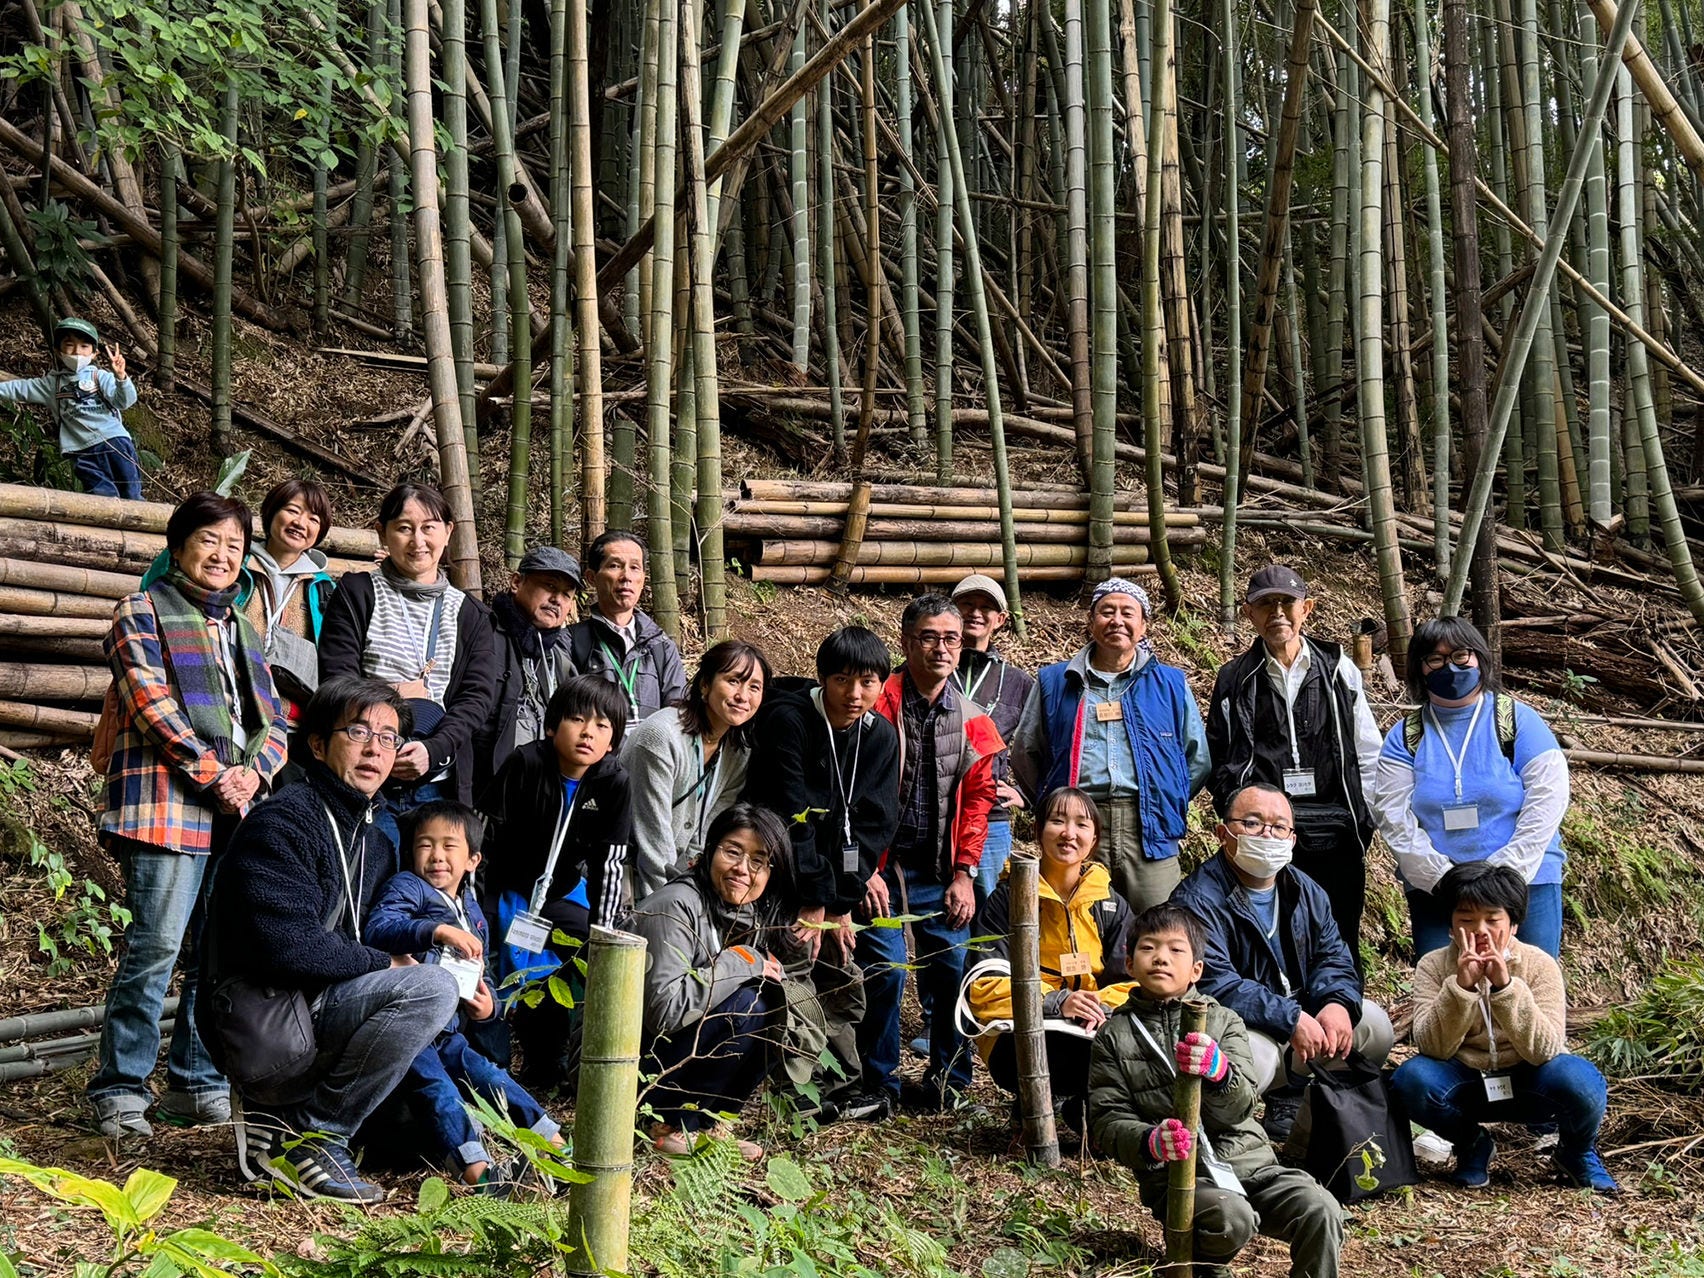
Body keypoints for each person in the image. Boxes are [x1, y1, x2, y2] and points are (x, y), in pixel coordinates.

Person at [198, 677, 461, 1204]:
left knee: (410, 1138)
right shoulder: (284, 821)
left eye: (388, 738)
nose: (374, 749)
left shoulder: (374, 839)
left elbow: (378, 936)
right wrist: (389, 966)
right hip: (265, 1021)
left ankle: (288, 1124)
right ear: (317, 744)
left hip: (323, 1008)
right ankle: (317, 1134)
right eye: (358, 731)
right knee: (427, 987)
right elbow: (287, 946)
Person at [88, 491, 290, 1139]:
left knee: (216, 957)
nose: (223, 555)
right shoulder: (140, 611)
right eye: (210, 540)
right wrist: (217, 775)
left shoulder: (242, 627)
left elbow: (275, 721)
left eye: (235, 546)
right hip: (166, 809)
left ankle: (195, 1081)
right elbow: (150, 705)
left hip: (236, 812)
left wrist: (253, 773)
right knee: (155, 950)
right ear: (178, 547)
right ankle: (120, 1091)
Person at [1089, 904, 1347, 1278]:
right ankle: (1201, 1269)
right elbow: (1107, 1119)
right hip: (1181, 1177)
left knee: (1321, 1209)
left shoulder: (1224, 1021)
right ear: (1128, 964)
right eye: (1148, 948)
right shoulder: (1115, 1034)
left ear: (1197, 969)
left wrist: (1220, 1072)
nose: (1161, 957)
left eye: (1176, 949)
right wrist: (1150, 1141)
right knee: (1230, 1217)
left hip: (1251, 1164)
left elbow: (1241, 1106)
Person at [365, 801, 566, 1192]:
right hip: (412, 1029)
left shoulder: (472, 911)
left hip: (450, 1033)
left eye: (449, 846)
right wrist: (436, 932)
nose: (436, 856)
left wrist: (488, 1006)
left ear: (473, 859)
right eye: (425, 845)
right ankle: (480, 1176)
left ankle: (556, 1147)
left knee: (491, 1077)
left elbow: (482, 973)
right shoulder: (410, 887)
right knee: (438, 1090)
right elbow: (379, 927)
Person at [1170, 782, 1393, 1136]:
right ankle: (1229, 1138)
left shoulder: (1306, 889)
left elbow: (1334, 956)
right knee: (1255, 1061)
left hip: (1303, 1013)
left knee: (1374, 1027)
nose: (1267, 835)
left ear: (1292, 839)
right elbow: (1216, 984)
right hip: (1243, 1025)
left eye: (1279, 827)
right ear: (1223, 832)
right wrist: (1290, 1018)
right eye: (1253, 823)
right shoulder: (1195, 900)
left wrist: (1336, 1002)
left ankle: (1311, 1125)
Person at [740, 626, 897, 1118]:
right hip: (781, 874)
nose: (854, 695)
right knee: (796, 961)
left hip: (834, 886)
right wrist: (815, 900)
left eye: (867, 683)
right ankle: (789, 1091)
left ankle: (839, 1081)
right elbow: (791, 815)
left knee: (846, 970)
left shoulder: (879, 736)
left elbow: (874, 826)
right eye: (842, 680)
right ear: (822, 678)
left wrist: (840, 904)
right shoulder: (790, 720)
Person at [1391, 863, 1617, 1194]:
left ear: (1513, 924)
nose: (1480, 930)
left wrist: (1506, 988)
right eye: (1466, 919)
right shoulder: (1433, 966)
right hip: (1466, 1083)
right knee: (1411, 1080)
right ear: (1451, 926)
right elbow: (1432, 1047)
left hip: (1529, 1081)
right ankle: (1472, 1144)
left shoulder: (1539, 964)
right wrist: (1461, 989)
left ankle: (1576, 1153)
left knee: (1581, 1081)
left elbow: (1546, 1049)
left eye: (1492, 919)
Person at [860, 595, 1002, 1113]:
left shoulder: (971, 718)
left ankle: (949, 1083)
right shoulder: (876, 703)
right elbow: (846, 792)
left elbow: (981, 799)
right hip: (880, 869)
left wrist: (965, 873)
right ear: (906, 641)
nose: (941, 648)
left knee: (953, 970)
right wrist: (860, 871)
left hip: (940, 871)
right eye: (929, 637)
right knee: (888, 971)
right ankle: (880, 1084)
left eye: (952, 638)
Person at [1206, 565, 1382, 964]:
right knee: (1272, 937)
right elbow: (1219, 752)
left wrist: (1364, 815)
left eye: (1287, 602)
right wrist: (1237, 815)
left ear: (1308, 609)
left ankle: (1340, 1019)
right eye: (1266, 604)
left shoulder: (1338, 668)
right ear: (1249, 613)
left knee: (1339, 936)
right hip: (1264, 834)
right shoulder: (1235, 677)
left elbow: (1368, 749)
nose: (1278, 613)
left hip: (1335, 827)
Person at [1372, 616, 1569, 959]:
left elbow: (1548, 797)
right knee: (1446, 995)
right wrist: (1441, 878)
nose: (1450, 666)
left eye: (1461, 655)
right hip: (1439, 892)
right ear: (1420, 669)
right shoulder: (1405, 736)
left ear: (1479, 657)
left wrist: (1506, 874)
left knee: (1532, 991)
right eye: (1436, 659)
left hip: (1527, 883)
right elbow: (1393, 816)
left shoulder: (1516, 720)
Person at [1011, 577, 1210, 915]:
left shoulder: (1171, 684)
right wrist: (1052, 804)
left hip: (1148, 827)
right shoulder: (1055, 681)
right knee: (1077, 923)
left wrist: (1163, 796)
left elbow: (1197, 759)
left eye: (1127, 613)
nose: (1117, 620)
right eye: (1106, 611)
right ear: (1091, 622)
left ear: (1143, 625)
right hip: (1076, 826)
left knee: (1157, 925)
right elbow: (1026, 752)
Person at [479, 675, 632, 1086]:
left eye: (603, 726)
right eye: (577, 719)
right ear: (551, 726)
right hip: (506, 887)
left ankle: (559, 1060)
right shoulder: (525, 762)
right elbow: (483, 836)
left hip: (561, 892)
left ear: (614, 741)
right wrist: (474, 904)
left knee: (587, 950)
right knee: (487, 950)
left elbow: (610, 862)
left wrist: (604, 931)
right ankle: (492, 1059)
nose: (588, 733)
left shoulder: (613, 781)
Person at [626, 804, 797, 1160]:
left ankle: (708, 1124)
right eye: (733, 852)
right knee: (749, 1004)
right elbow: (665, 1013)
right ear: (709, 852)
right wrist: (742, 961)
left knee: (773, 1004)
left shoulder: (747, 912)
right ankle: (666, 1124)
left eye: (758, 861)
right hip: (622, 1067)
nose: (742, 869)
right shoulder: (674, 905)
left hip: (664, 1055)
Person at [959, 787, 1135, 1133]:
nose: (1069, 833)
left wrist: (1097, 1004)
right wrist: (1057, 1002)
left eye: (1081, 824)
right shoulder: (1007, 900)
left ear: (1094, 837)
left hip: (1093, 1028)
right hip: (1022, 1034)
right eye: (1057, 821)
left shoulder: (1109, 903)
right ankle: (1036, 1107)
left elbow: (1137, 981)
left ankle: (1089, 1110)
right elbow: (982, 986)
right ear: (1039, 831)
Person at [318, 482, 498, 817]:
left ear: (447, 532)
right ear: (382, 534)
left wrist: (433, 749)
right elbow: (336, 677)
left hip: (437, 783)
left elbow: (477, 697)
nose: (418, 541)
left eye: (429, 528)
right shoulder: (357, 592)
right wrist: (398, 693)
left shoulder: (470, 614)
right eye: (404, 528)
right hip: (363, 774)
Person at [140, 479, 338, 717]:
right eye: (292, 510)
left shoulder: (323, 588)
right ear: (270, 512)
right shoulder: (230, 564)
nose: (300, 522)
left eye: (313, 519)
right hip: (225, 705)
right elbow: (162, 583)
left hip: (291, 718)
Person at [624, 639, 771, 898]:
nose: (743, 696)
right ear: (705, 684)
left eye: (754, 687)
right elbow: (652, 838)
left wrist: (692, 893)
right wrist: (666, 908)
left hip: (674, 878)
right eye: (734, 681)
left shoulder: (737, 753)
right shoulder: (661, 737)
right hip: (623, 867)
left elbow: (706, 836)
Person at [949, 574, 1035, 899]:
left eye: (986, 607)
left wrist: (1027, 794)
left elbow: (1038, 744)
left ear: (1000, 620)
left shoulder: (1016, 682)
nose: (975, 612)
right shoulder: (926, 669)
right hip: (933, 811)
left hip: (990, 816)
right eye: (966, 604)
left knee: (988, 912)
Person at [474, 545, 581, 793]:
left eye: (566, 595)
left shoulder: (559, 660)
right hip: (485, 789)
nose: (556, 600)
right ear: (516, 583)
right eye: (550, 586)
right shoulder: (483, 636)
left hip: (537, 792)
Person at [0, 317, 141, 498]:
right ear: (58, 351)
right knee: (102, 496)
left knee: (132, 494)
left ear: (94, 353)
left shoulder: (101, 376)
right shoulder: (52, 384)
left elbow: (125, 401)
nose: (77, 352)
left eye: (84, 347)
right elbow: (18, 389)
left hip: (115, 442)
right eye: (69, 345)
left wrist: (121, 378)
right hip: (82, 451)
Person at [563, 530, 687, 722]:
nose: (626, 576)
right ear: (591, 577)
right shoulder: (570, 643)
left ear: (643, 579)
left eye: (635, 568)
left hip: (650, 750)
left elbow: (677, 716)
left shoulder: (660, 646)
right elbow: (563, 717)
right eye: (614, 566)